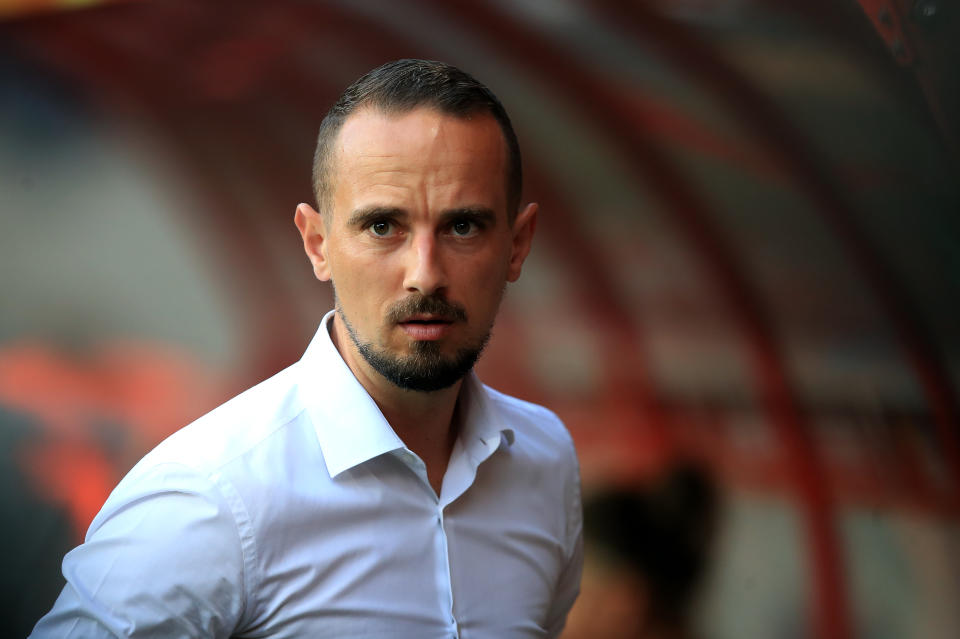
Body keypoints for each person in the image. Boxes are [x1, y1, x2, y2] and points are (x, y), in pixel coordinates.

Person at [30, 59, 583, 638]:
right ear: (317, 244)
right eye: (383, 227)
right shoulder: (210, 496)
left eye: (463, 227)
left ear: (518, 246)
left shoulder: (545, 463)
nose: (425, 274)